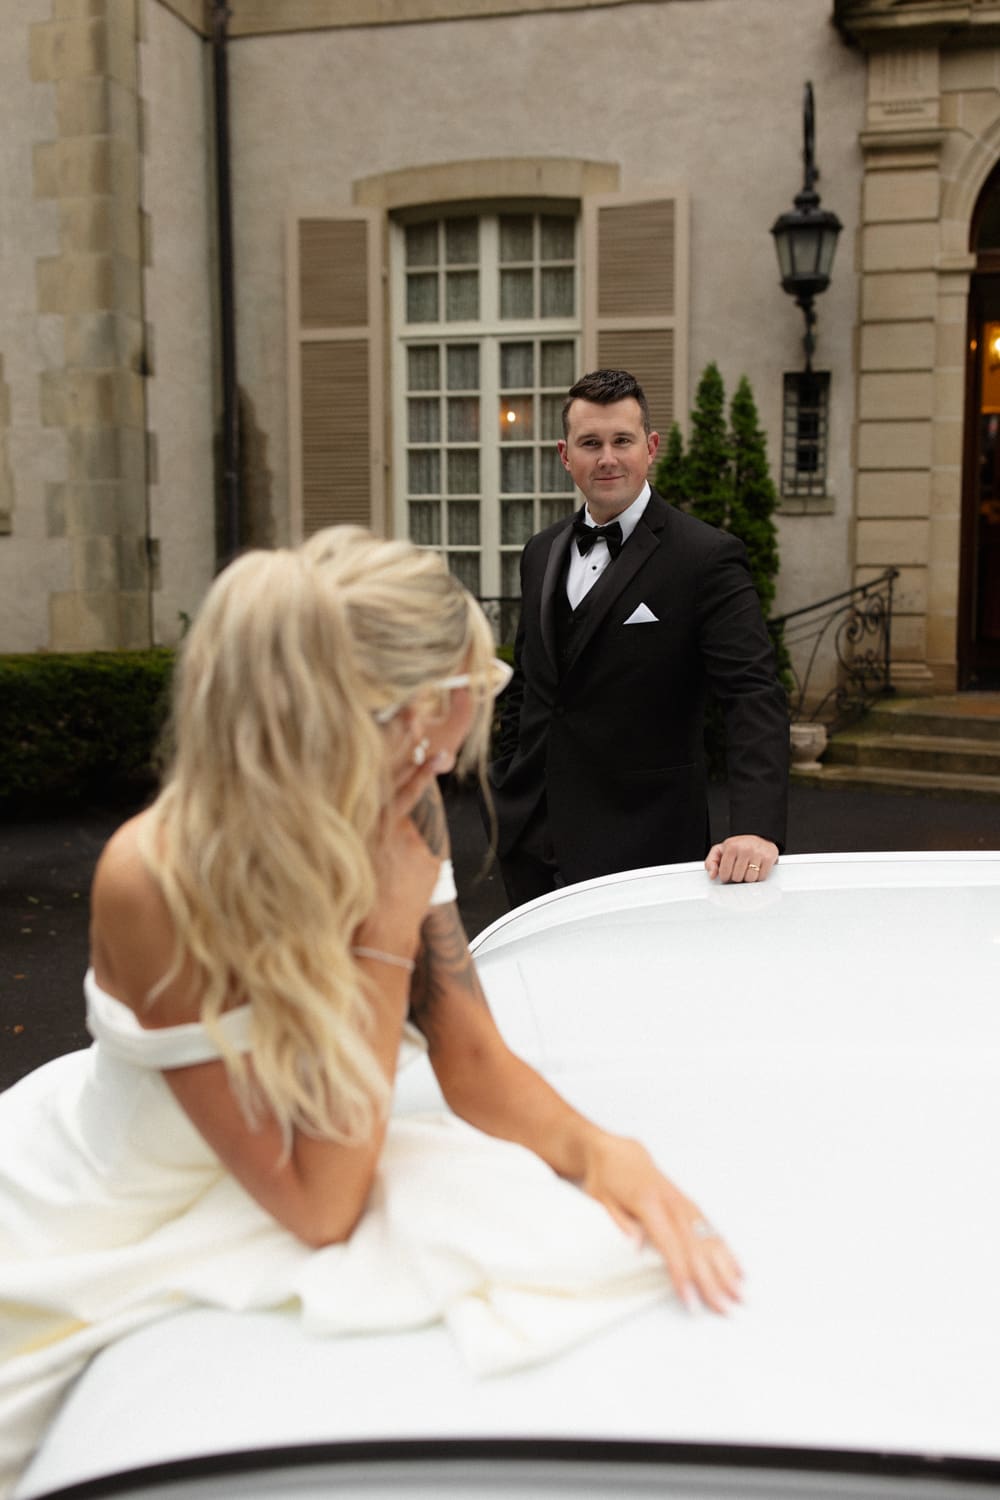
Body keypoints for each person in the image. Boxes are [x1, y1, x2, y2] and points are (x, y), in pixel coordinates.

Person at [0, 527, 741, 1498]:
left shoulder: (401, 806)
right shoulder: (155, 877)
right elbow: (320, 1207)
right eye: (446, 719)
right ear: (367, 715)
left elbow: (470, 1060)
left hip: (317, 1154)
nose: (446, 764)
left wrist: (597, 1150)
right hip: (119, 1218)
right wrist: (385, 935)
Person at [490, 368, 789, 908]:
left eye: (621, 441)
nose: (607, 458)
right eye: (590, 443)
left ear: (650, 448)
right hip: (531, 842)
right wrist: (504, 786)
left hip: (645, 847)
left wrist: (755, 826)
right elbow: (529, 685)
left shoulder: (705, 557)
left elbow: (752, 694)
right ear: (565, 455)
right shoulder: (540, 551)